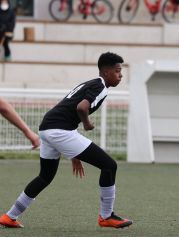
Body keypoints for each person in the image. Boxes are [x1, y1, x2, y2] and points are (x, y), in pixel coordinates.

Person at [0, 52, 132, 228]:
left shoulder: (90, 84)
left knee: (45, 176)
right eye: (117, 71)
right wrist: (86, 124)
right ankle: (106, 216)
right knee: (109, 166)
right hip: (59, 131)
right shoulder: (100, 87)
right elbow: (81, 108)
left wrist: (74, 155)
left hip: (47, 128)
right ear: (106, 72)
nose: (120, 75)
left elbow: (69, 111)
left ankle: (10, 216)